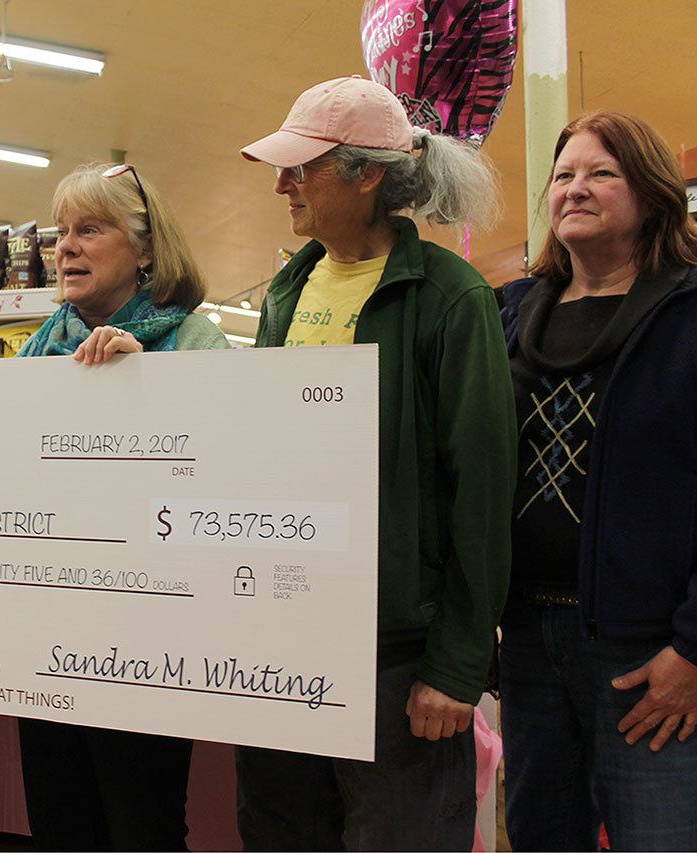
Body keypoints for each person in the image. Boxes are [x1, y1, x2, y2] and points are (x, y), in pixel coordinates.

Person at [234, 76, 516, 851]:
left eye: (303, 167)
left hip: (396, 657)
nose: (282, 183)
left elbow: (482, 490)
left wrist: (458, 665)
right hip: (285, 636)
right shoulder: (287, 291)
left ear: (366, 175)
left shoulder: (452, 298)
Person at [0, 162, 229, 850]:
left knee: (143, 824)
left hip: (150, 640)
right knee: (60, 821)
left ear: (148, 248)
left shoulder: (198, 342)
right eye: (60, 232)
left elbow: (228, 479)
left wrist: (146, 386)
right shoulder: (38, 350)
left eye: (89, 230)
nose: (65, 246)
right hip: (48, 633)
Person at [499, 111, 697, 851]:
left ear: (651, 194)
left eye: (601, 174)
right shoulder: (513, 314)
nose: (575, 189)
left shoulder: (696, 313)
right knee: (540, 836)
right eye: (563, 176)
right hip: (525, 641)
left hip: (649, 658)